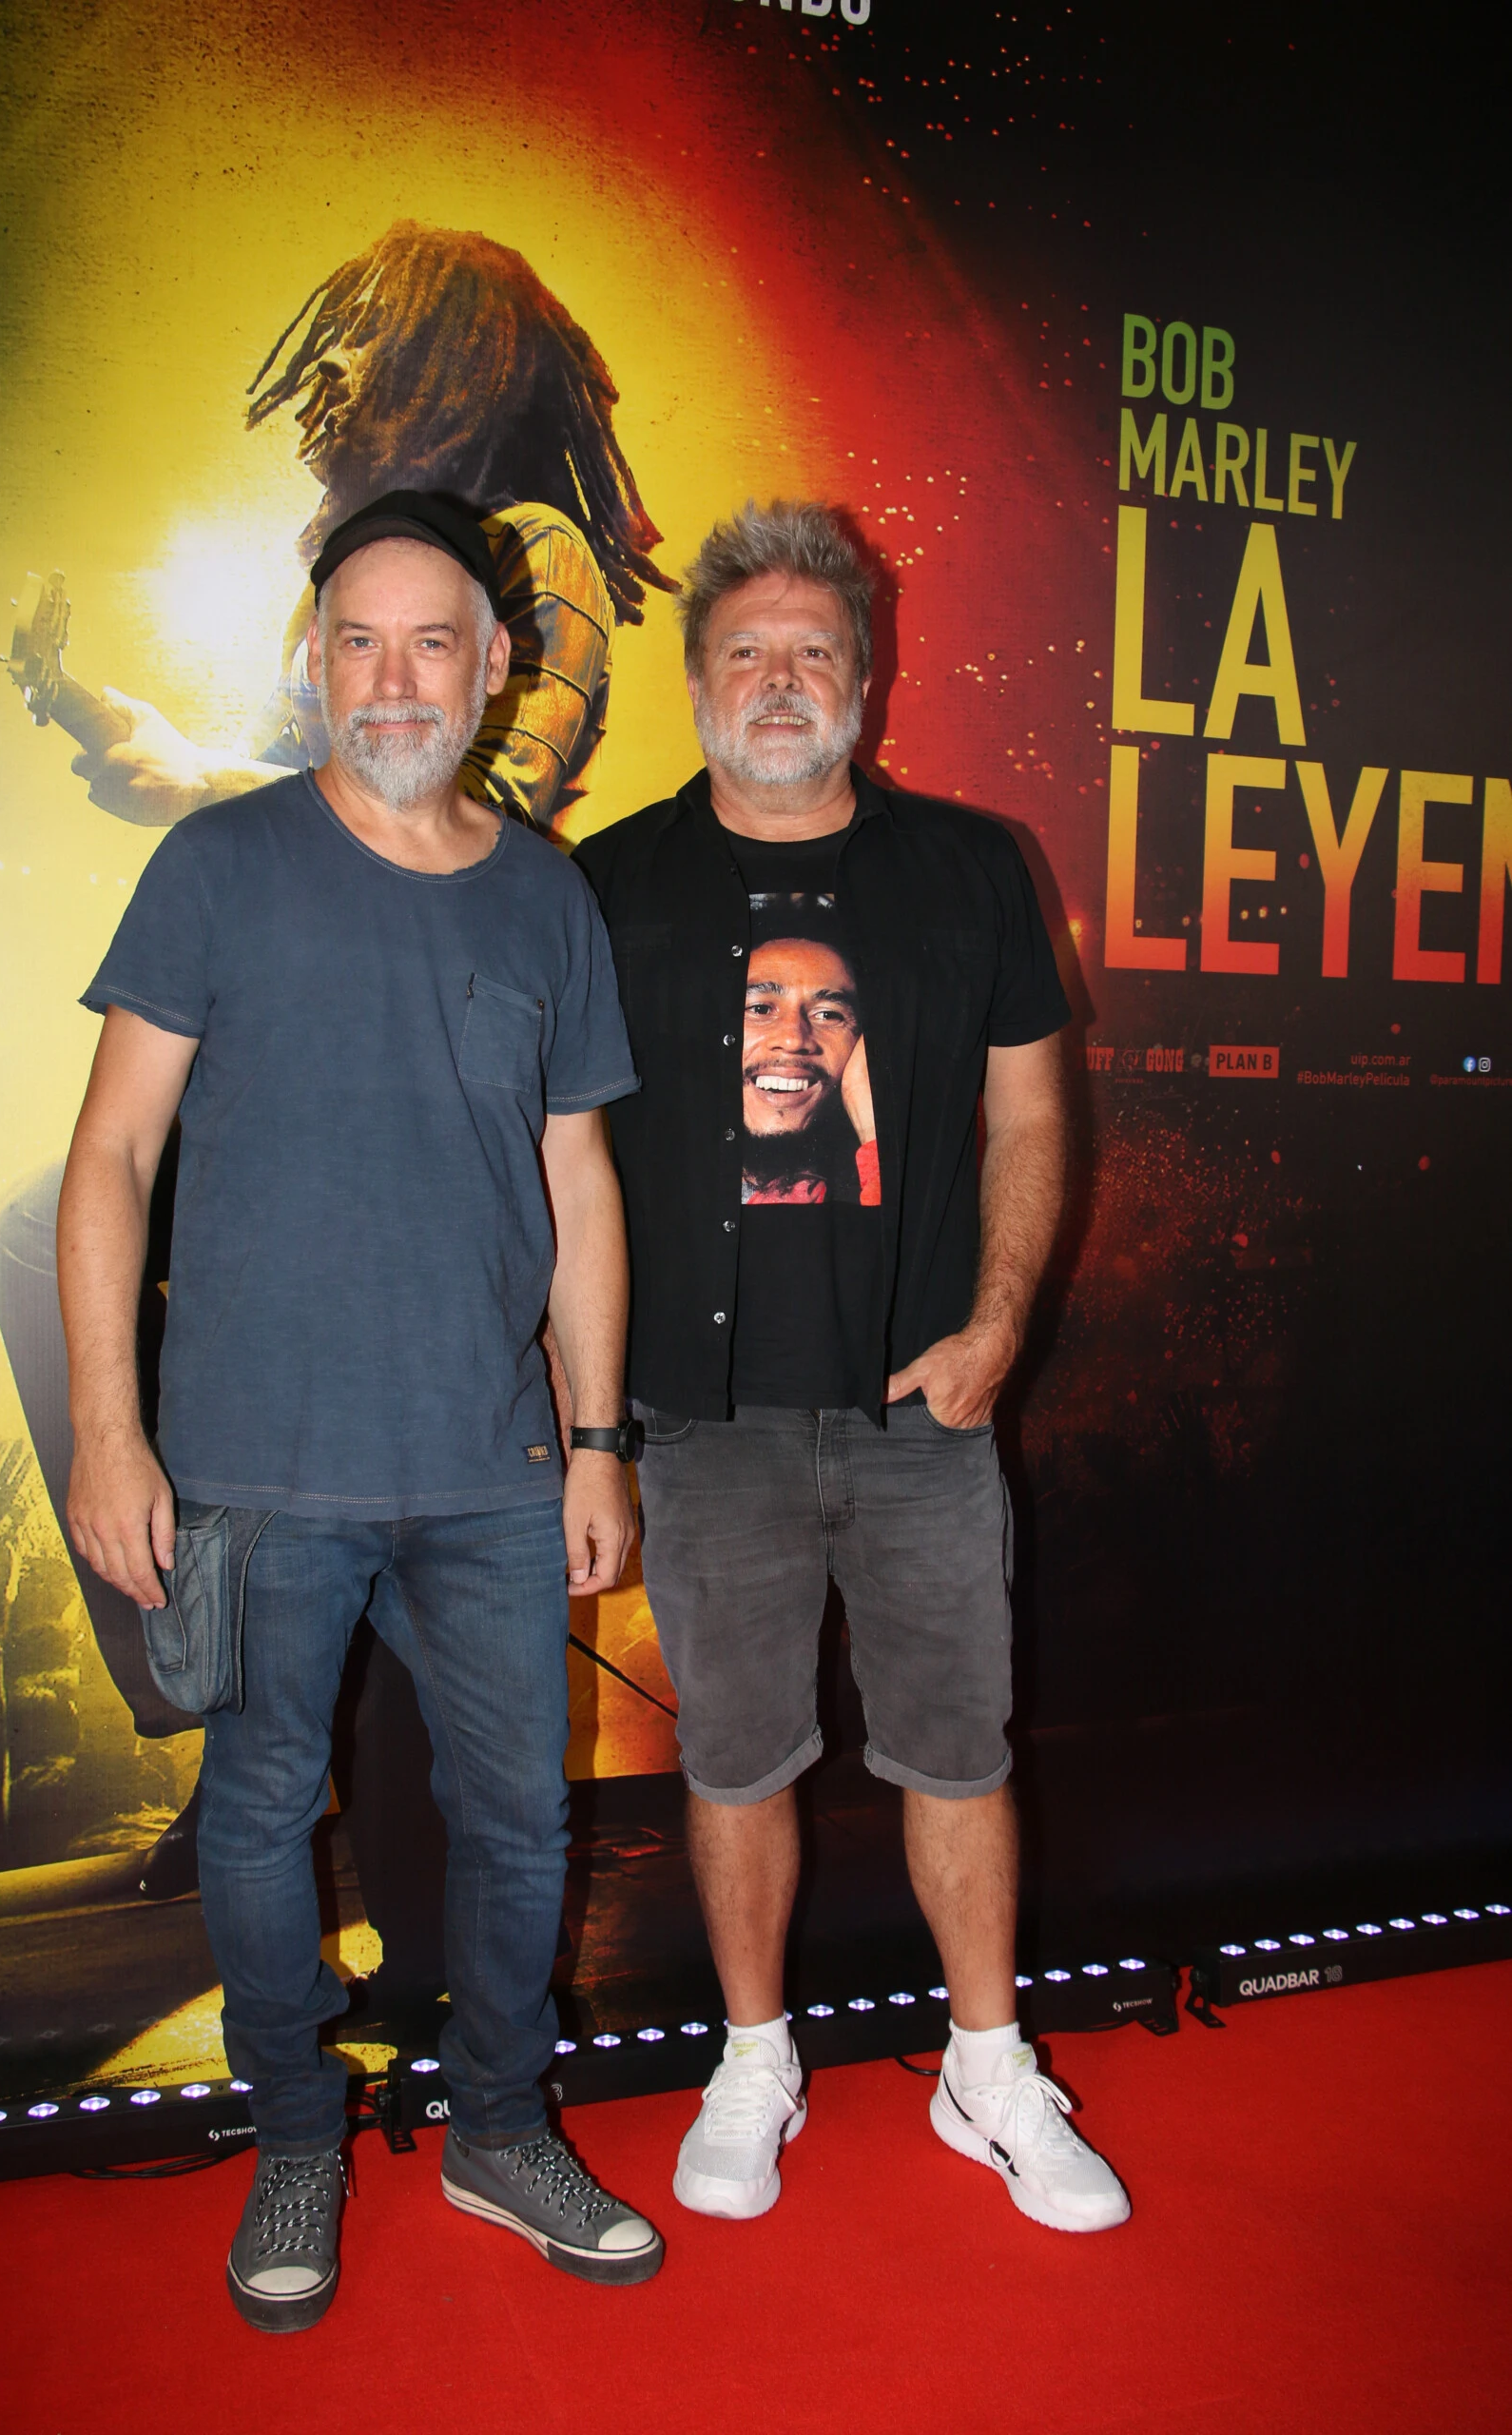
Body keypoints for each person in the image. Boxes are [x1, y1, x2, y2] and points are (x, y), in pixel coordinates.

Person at [0, 224, 675, 1907]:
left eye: (374, 334)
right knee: (40, 1234)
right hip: (309, 1061)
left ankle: (314, 1766)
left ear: (456, 351)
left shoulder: (531, 557)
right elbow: (291, 803)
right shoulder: (358, 593)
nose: (341, 370)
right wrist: (110, 726)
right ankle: (218, 1685)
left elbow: (457, 808)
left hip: (450, 1077)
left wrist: (195, 778)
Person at [58, 492, 663, 2329]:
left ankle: (500, 2126)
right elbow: (110, 1158)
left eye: (432, 642)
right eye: (358, 641)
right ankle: (297, 2135)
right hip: (255, 1472)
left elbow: (578, 1182)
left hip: (492, 1468)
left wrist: (598, 1437)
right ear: (313, 662)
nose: (394, 678)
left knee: (521, 1823)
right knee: (259, 1816)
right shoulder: (220, 865)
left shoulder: (546, 894)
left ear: (494, 669)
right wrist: (108, 1430)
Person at [572, 499, 1130, 2235]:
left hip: (920, 1410)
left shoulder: (971, 867)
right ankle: (755, 2060)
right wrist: (588, 1422)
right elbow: (559, 1161)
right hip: (706, 1423)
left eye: (812, 650)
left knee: (957, 1753)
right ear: (695, 683)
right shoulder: (605, 886)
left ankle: (986, 2067)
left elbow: (1029, 1114)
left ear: (865, 681)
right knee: (735, 1760)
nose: (779, 679)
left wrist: (999, 1328)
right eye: (745, 651)